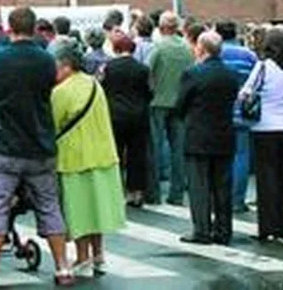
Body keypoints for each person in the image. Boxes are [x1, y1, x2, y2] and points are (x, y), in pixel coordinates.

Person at [0, 6, 72, 287]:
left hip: (2, 145)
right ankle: (63, 267)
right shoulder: (46, 61)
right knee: (49, 205)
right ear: (34, 28)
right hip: (39, 143)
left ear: (10, 27)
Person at [49, 38, 125, 278]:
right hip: (103, 154)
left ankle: (82, 258)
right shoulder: (94, 84)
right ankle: (99, 255)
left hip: (74, 157)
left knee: (79, 212)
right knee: (97, 210)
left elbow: (53, 125)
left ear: (65, 65)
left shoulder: (60, 92)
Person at [174, 31, 239, 244]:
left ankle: (202, 230)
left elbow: (181, 104)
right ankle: (224, 230)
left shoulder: (193, 73)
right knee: (222, 186)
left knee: (199, 186)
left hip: (198, 135)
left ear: (201, 48)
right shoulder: (231, 74)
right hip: (224, 134)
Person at [239, 28, 283, 241]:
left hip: (265, 127)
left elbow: (247, 91)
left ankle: (267, 226)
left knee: (267, 179)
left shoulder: (264, 66)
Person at [146, 12, 194, 206]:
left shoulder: (158, 47)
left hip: (158, 101)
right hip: (180, 103)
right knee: (179, 150)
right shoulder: (187, 48)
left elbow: (147, 71)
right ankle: (177, 193)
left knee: (155, 148)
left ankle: (154, 193)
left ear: (161, 27)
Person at [100, 32, 151, 207]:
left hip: (115, 115)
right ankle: (136, 191)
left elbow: (103, 89)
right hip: (138, 115)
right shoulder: (142, 69)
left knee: (116, 153)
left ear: (116, 48)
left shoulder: (109, 67)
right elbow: (148, 93)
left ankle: (116, 190)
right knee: (137, 154)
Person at [215, 20, 258, 213]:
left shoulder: (215, 54)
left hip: (219, 112)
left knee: (220, 156)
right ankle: (237, 199)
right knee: (241, 155)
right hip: (242, 111)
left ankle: (220, 197)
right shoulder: (249, 56)